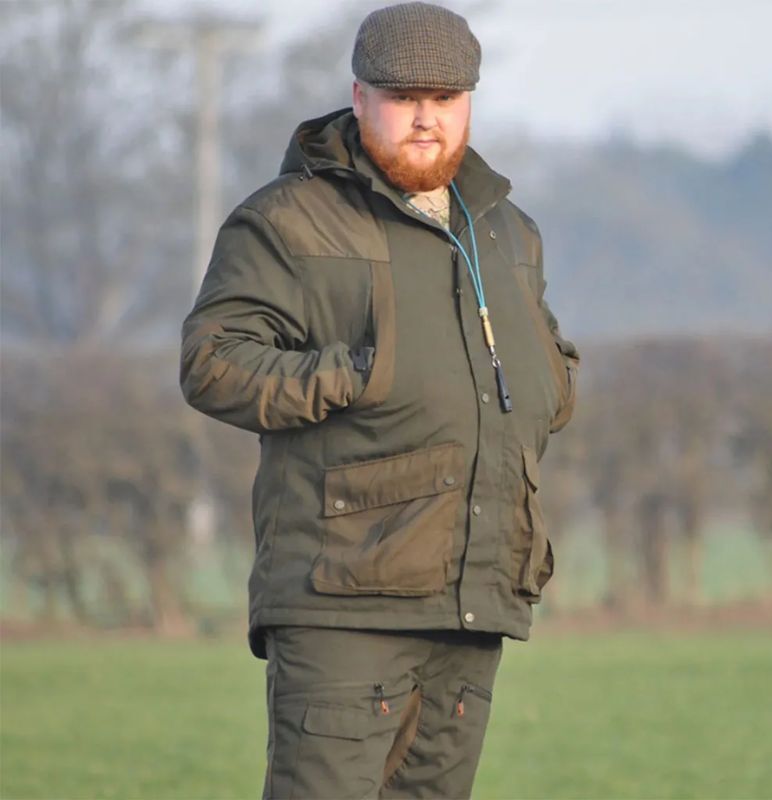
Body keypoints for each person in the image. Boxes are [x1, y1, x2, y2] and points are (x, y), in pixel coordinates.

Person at [180, 2, 580, 797]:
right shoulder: (288, 221)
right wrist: (360, 374)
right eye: (404, 98)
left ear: (469, 100)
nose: (426, 118)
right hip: (343, 603)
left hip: (473, 600)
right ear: (360, 99)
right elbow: (213, 362)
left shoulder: (505, 230)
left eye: (446, 98)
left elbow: (541, 355)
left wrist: (552, 382)